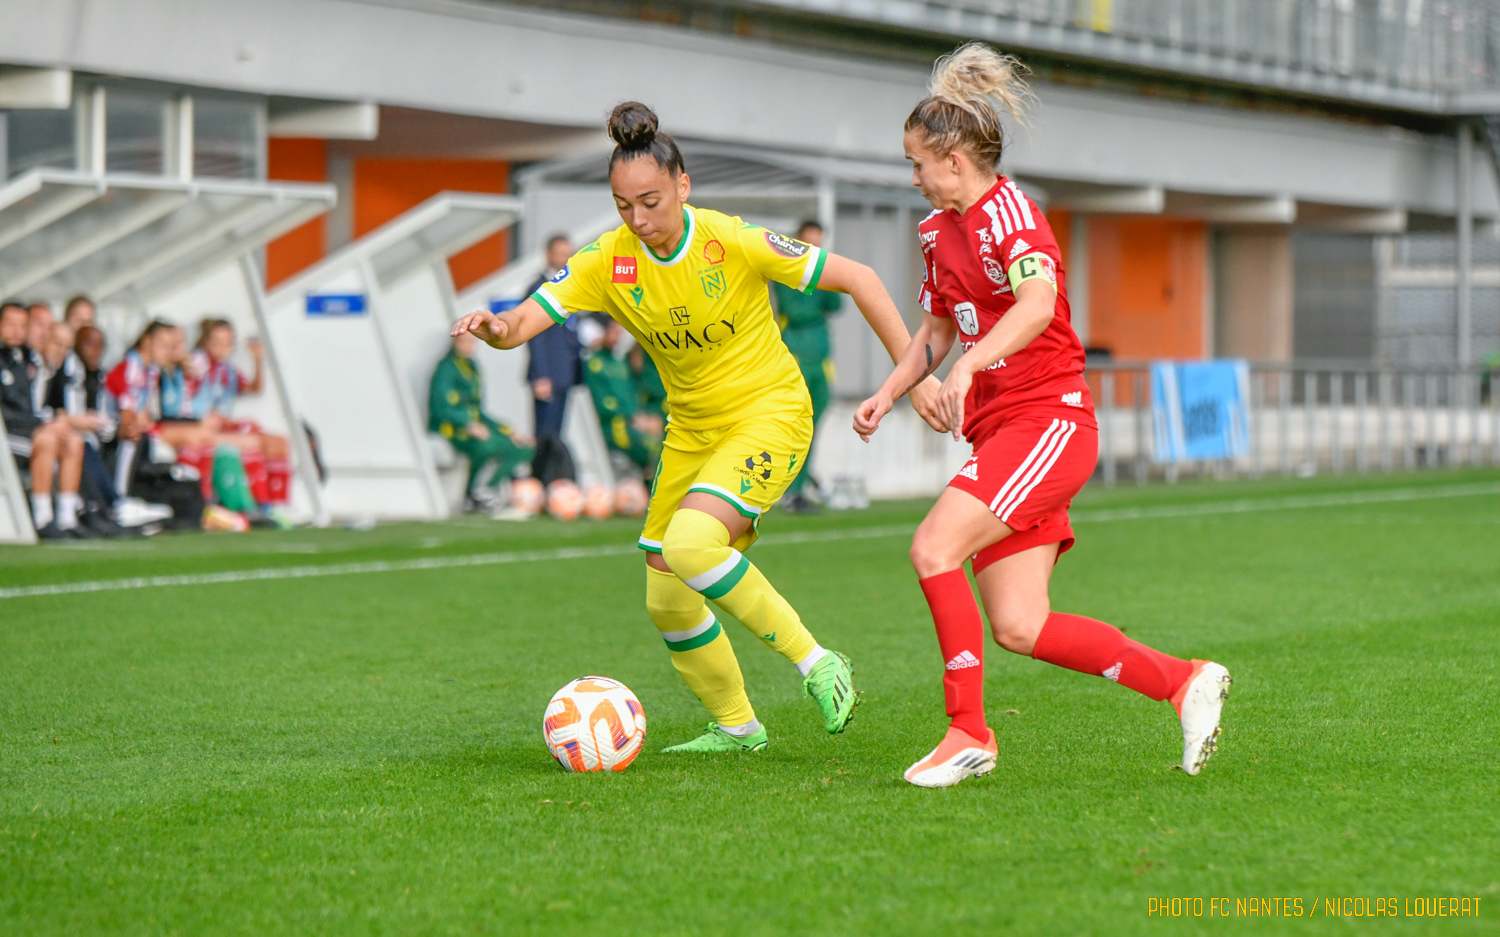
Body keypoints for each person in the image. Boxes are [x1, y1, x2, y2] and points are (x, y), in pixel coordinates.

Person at [453, 102, 942, 753]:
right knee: (668, 599)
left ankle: (818, 661)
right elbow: (521, 324)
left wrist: (920, 376)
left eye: (651, 201)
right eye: (624, 205)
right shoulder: (608, 261)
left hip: (770, 413)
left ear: (683, 186)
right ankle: (739, 727)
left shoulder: (731, 240)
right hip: (691, 433)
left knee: (689, 545)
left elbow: (863, 279)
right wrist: (496, 328)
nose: (638, 218)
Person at [855, 44, 1232, 788]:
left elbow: (1034, 306)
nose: (913, 177)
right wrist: (892, 389)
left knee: (933, 548)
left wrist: (969, 363)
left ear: (956, 160)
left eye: (918, 163)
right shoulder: (936, 233)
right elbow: (934, 329)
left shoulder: (1013, 214)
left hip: (1050, 423)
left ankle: (968, 731)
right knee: (1020, 626)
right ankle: (1185, 681)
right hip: (1004, 431)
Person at [1, 302, 91, 538]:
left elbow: (29, 409)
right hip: (6, 436)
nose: (16, 331)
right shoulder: (12, 361)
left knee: (73, 440)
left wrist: (49, 422)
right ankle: (42, 518)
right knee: (48, 439)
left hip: (24, 432)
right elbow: (11, 414)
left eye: (22, 325)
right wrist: (45, 424)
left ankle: (67, 517)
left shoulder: (20, 360)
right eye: (10, 324)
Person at [772, 220, 842, 512]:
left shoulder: (823, 271)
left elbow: (837, 304)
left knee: (812, 428)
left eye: (819, 242)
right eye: (809, 242)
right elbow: (795, 311)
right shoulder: (785, 271)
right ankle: (789, 489)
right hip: (796, 357)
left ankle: (799, 485)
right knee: (793, 427)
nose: (815, 247)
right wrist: (817, 297)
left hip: (821, 361)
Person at [430, 329, 535, 511]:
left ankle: (488, 489)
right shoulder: (446, 368)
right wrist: (468, 424)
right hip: (451, 429)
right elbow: (440, 407)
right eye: (465, 342)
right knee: (485, 445)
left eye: (473, 342)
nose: (469, 347)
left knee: (523, 447)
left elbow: (478, 410)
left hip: (475, 426)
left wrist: (507, 430)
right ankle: (472, 494)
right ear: (455, 343)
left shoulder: (474, 368)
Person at [525, 234, 583, 487]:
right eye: (560, 253)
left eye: (568, 253)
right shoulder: (538, 288)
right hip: (548, 376)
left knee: (557, 434)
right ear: (548, 254)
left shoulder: (569, 287)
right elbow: (533, 336)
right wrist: (540, 375)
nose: (565, 259)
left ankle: (552, 484)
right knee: (544, 435)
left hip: (564, 374)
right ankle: (539, 484)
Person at [580, 315, 663, 480]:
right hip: (616, 426)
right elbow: (603, 403)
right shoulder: (595, 363)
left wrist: (643, 417)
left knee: (660, 447)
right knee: (649, 450)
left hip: (636, 422)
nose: (616, 336)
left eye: (619, 331)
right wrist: (633, 418)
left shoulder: (619, 362)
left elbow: (631, 395)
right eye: (612, 331)